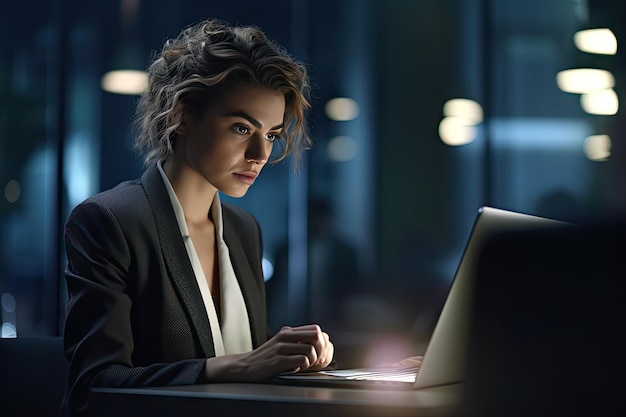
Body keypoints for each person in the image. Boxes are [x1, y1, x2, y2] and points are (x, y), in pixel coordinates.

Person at [60, 18, 334, 417]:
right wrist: (242, 365)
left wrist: (295, 354)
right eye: (242, 128)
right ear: (183, 116)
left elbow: (239, 357)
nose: (261, 153)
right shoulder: (110, 221)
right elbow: (95, 384)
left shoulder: (243, 230)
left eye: (272, 134)